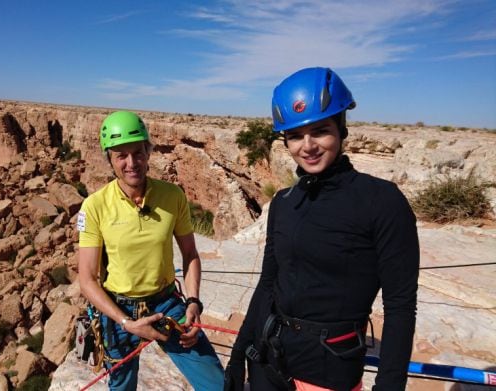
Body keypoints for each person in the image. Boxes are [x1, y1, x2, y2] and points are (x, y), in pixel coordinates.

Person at [224, 67, 419, 391]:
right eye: (296, 135)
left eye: (321, 130)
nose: (308, 145)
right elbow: (268, 284)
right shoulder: (285, 202)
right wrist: (239, 353)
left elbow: (400, 306)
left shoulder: (382, 202)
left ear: (341, 129)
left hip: (328, 371)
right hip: (267, 360)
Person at [78, 110, 225, 390]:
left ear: (148, 151)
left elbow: (190, 254)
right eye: (121, 155)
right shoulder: (96, 206)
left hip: (166, 302)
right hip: (120, 308)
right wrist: (125, 322)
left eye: (138, 152)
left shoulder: (172, 196)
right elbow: (87, 279)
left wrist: (193, 301)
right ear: (109, 159)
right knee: (122, 386)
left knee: (217, 384)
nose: (131, 162)